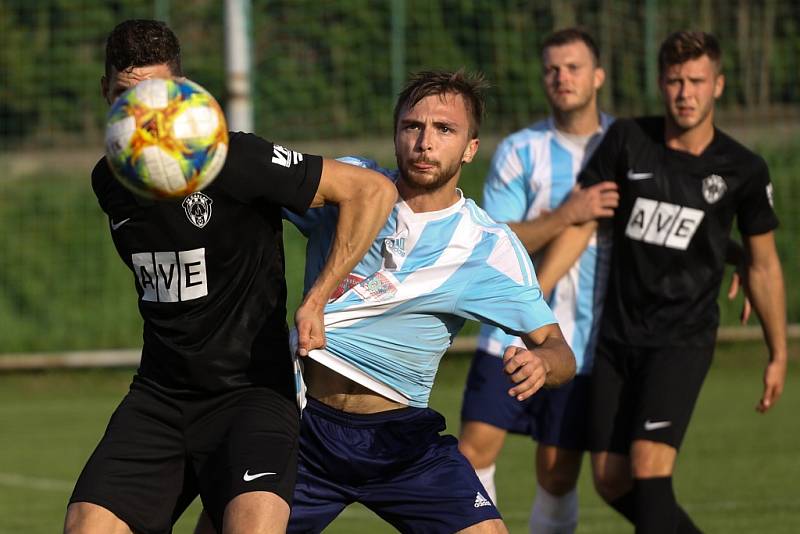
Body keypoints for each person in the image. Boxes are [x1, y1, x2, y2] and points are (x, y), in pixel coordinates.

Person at [193, 69, 577, 534]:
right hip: (301, 426)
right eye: (413, 126)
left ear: (471, 148)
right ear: (396, 133)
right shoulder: (351, 186)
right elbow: (262, 189)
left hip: (401, 441)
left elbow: (560, 352)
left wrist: (542, 363)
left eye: (444, 130)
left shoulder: (487, 247)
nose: (425, 142)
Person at [63, 19, 396, 534]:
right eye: (128, 100)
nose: (143, 119)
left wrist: (317, 299)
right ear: (105, 92)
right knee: (87, 526)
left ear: (184, 95)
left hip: (251, 398)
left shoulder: (233, 156)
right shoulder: (109, 179)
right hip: (159, 398)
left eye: (157, 97)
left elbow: (370, 191)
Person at [540, 31, 787, 533]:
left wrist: (777, 352)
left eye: (697, 80)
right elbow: (585, 222)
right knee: (610, 478)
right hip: (617, 339)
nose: (685, 92)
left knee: (650, 468)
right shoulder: (628, 140)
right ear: (660, 83)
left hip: (682, 339)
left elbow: (763, 265)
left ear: (718, 85)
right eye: (675, 80)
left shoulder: (742, 169)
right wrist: (531, 296)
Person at [457, 28, 617, 534]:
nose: (561, 77)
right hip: (510, 330)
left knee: (557, 470)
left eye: (572, 68)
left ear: (597, 76)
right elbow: (500, 239)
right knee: (472, 451)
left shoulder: (624, 145)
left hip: (586, 338)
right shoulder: (521, 150)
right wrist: (567, 214)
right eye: (552, 69)